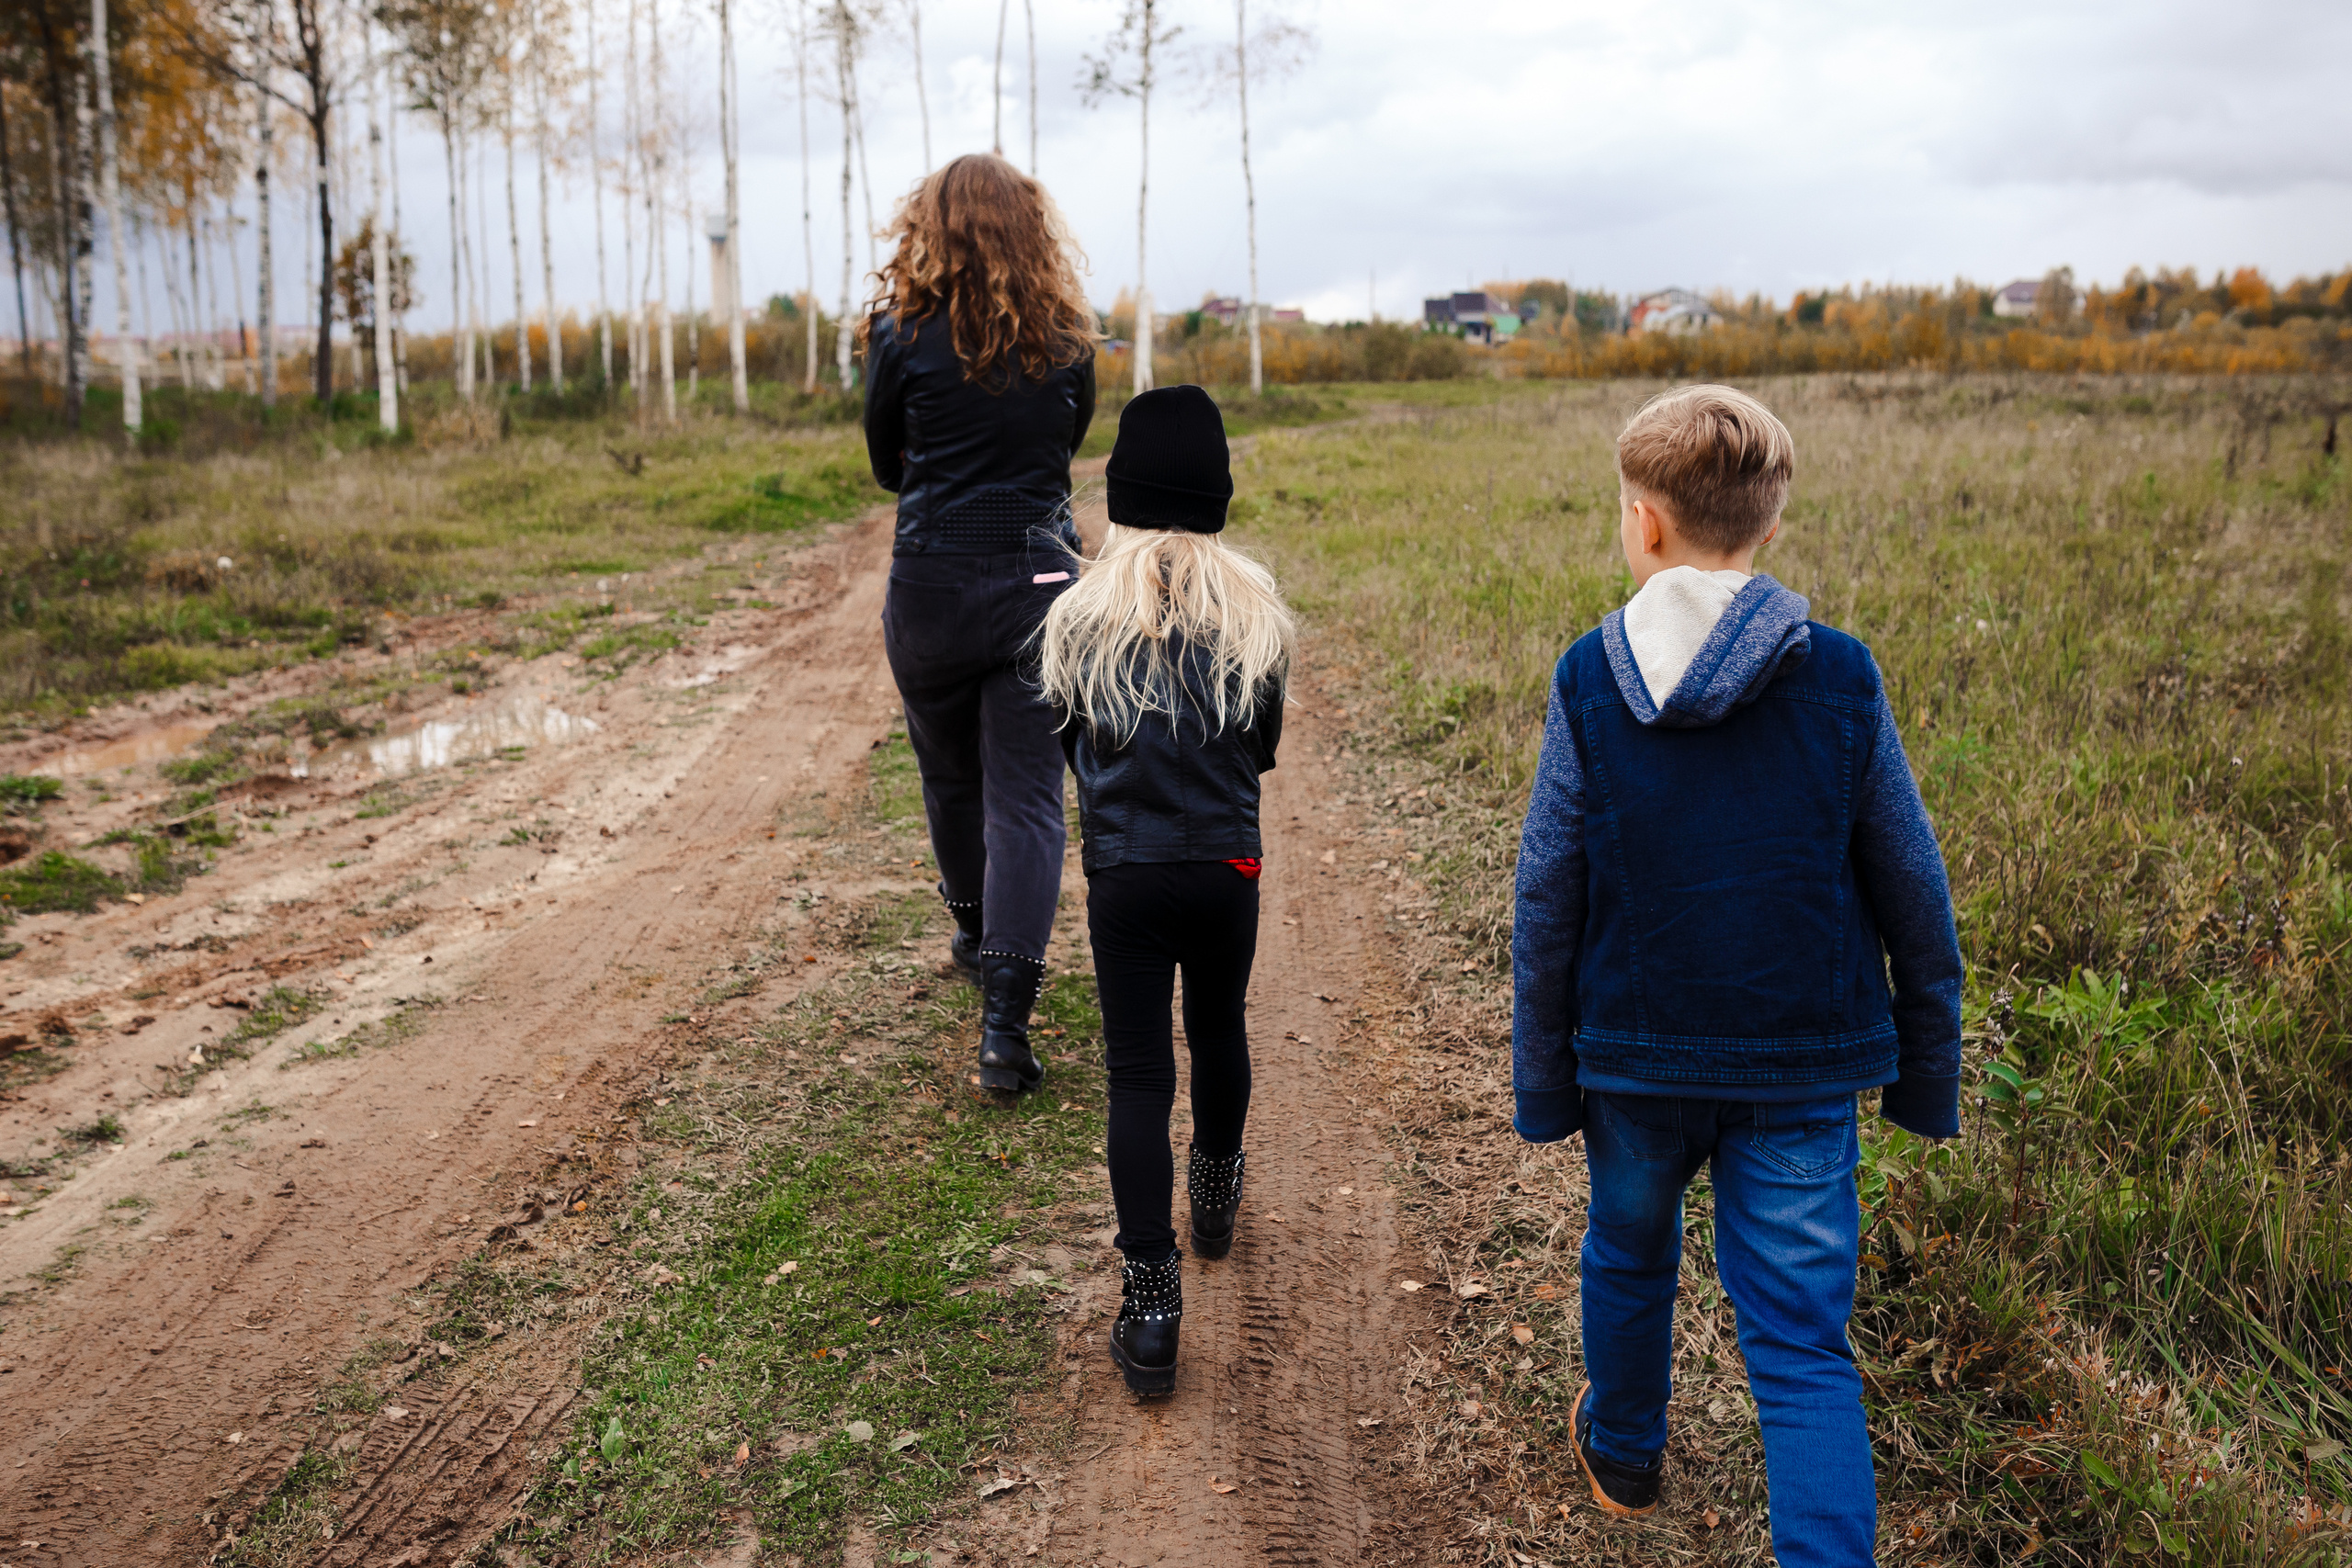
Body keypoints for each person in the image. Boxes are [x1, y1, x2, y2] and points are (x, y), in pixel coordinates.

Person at [1510, 385, 1962, 1565]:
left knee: (1627, 1251)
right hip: (1802, 1069)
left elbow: (1546, 893)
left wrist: (1542, 1081)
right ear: (1768, 527)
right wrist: (1927, 1069)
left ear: (1641, 526)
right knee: (1804, 1351)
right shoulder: (1842, 680)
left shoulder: (1589, 681)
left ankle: (1623, 1451)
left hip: (1635, 1061)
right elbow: (1914, 884)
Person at [1035, 385, 1293, 1397]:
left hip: (1125, 875)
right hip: (1225, 865)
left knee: (1139, 1077)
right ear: (1217, 495)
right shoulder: (1254, 620)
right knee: (1219, 1027)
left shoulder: (1078, 620)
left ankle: (1150, 1312)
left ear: (1121, 497)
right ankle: (1217, 1199)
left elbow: (1069, 748)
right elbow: (1262, 749)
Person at [861, 153, 1100, 1095]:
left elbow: (888, 466)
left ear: (929, 228)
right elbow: (1066, 447)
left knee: (950, 781)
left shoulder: (896, 333)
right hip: (1039, 578)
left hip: (931, 580)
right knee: (1031, 802)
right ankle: (1006, 1029)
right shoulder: (1070, 338)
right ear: (1032, 229)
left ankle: (970, 928)